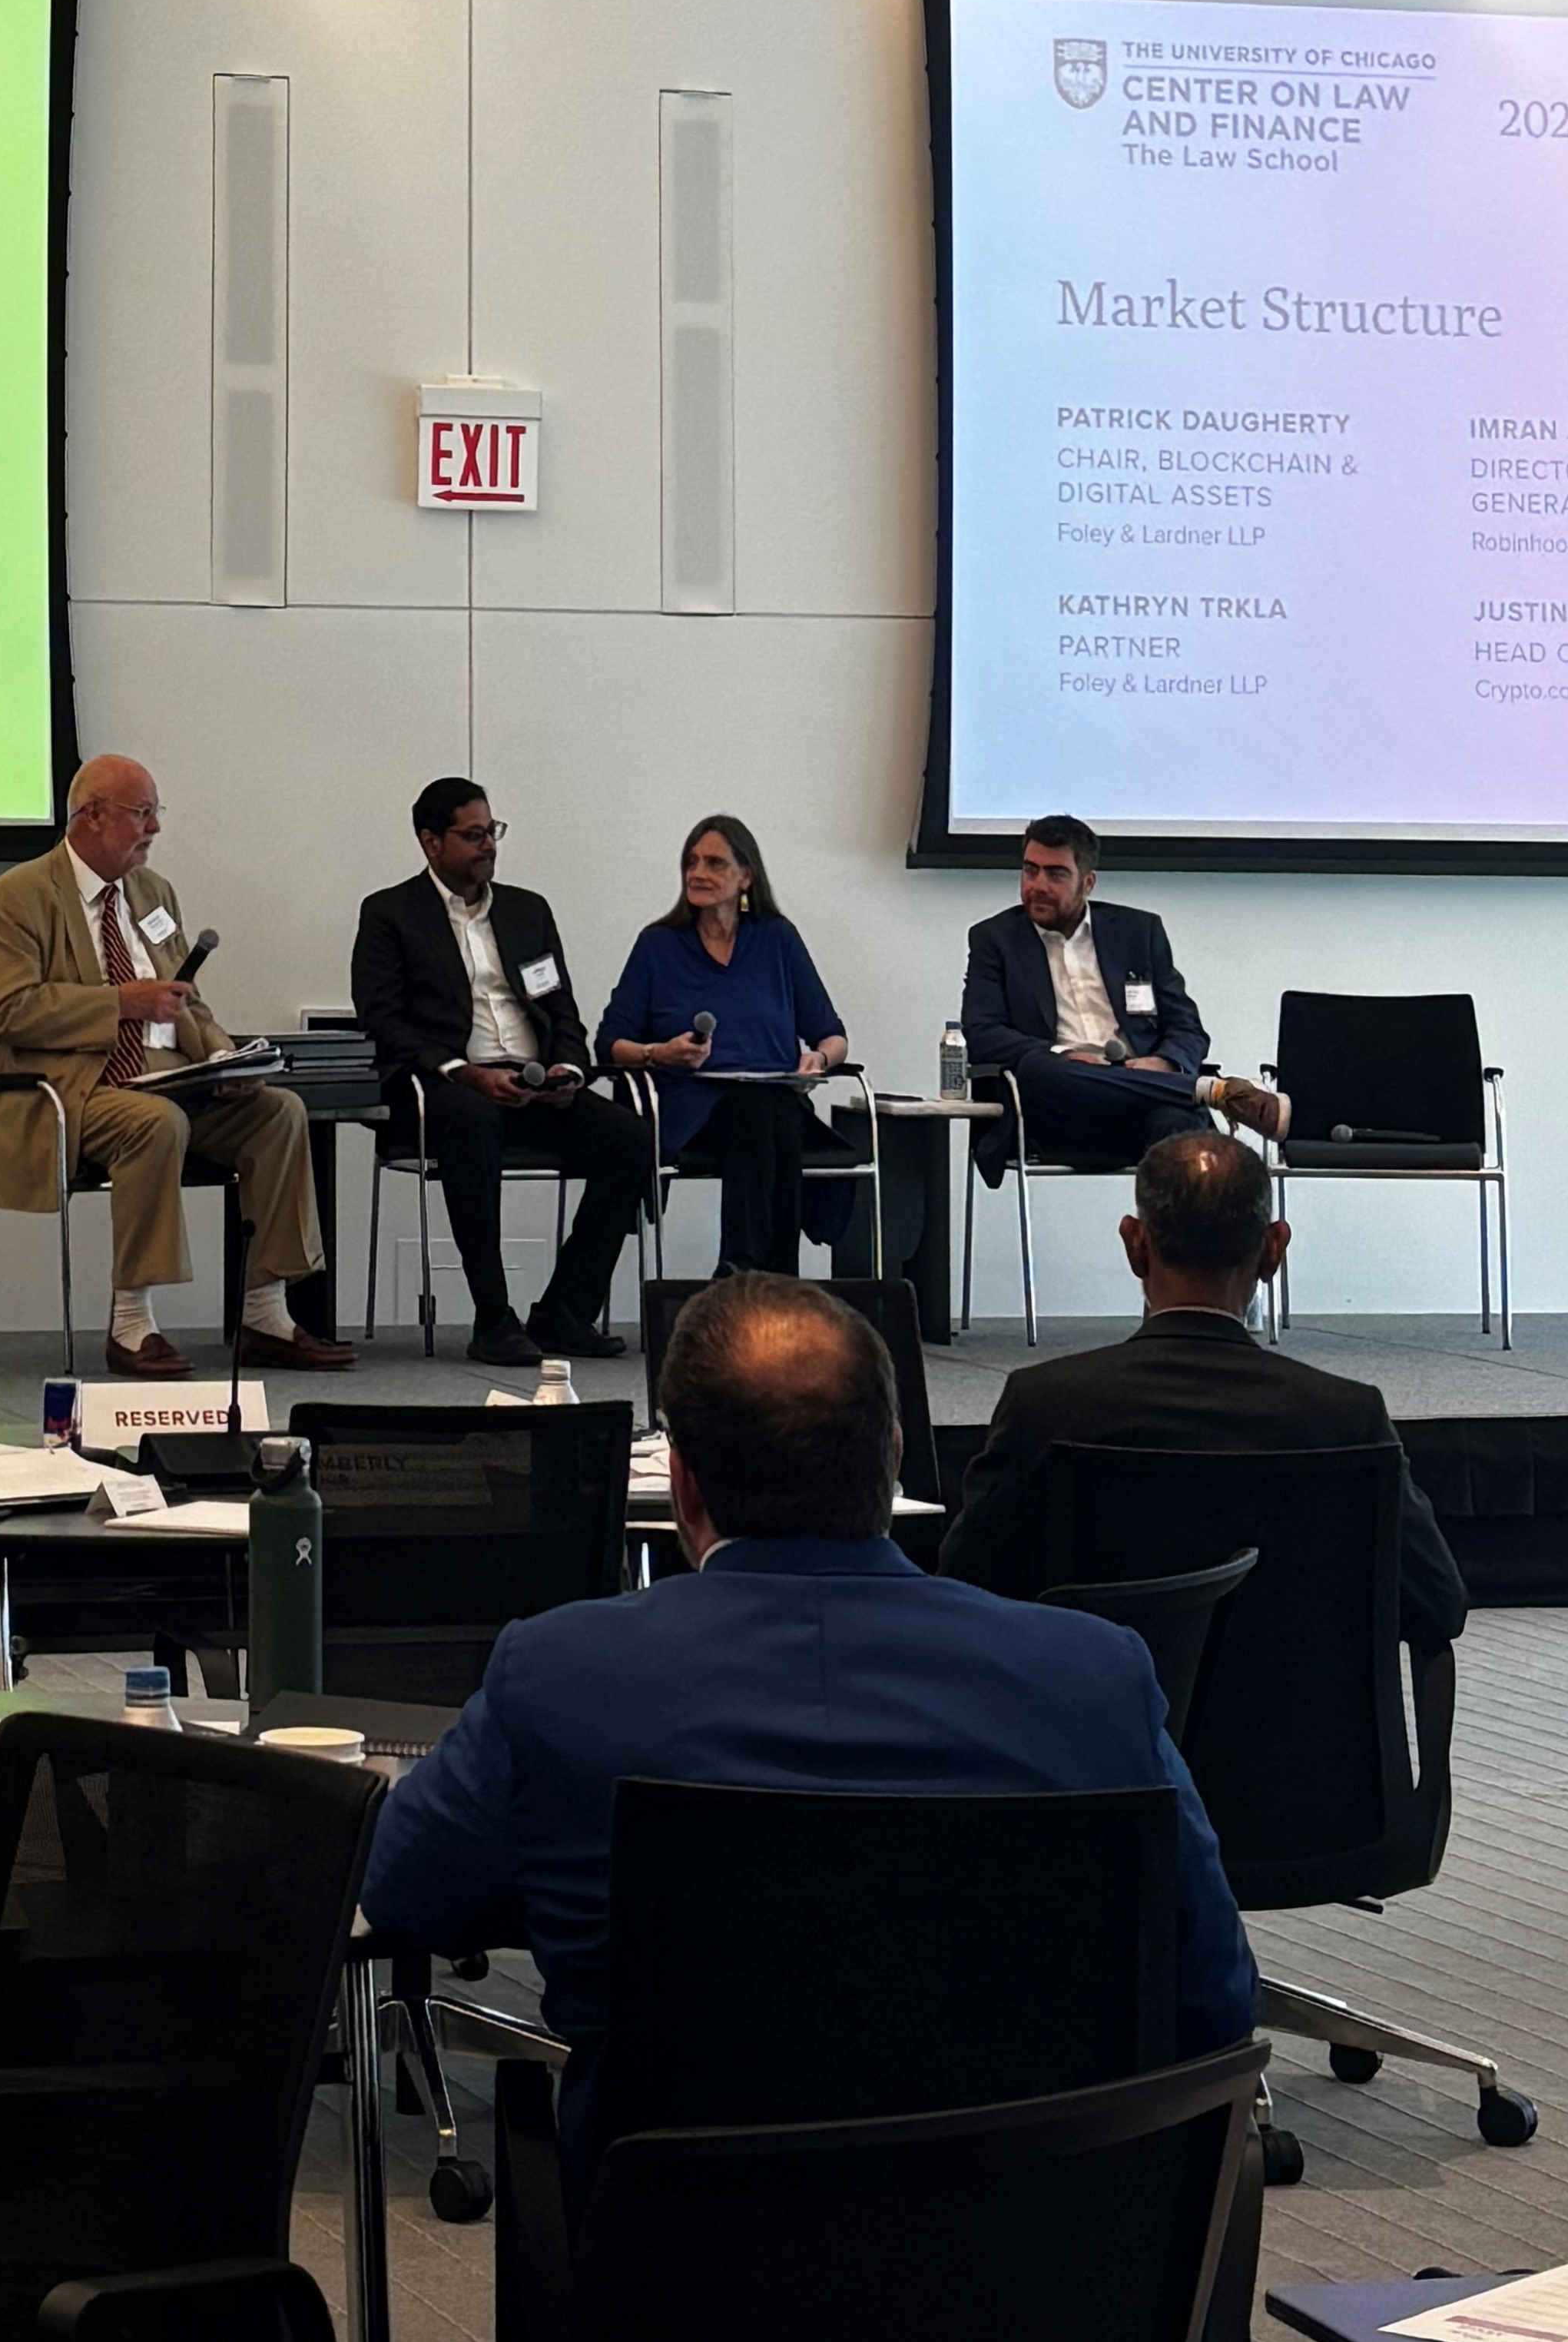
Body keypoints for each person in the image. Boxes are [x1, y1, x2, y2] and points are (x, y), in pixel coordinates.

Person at [365, 1278, 1255, 2199]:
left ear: (683, 1484)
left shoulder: (558, 1678)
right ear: (896, 1454)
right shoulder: (1094, 1678)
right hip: (1036, 2273)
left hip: (681, 2281)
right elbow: (1215, 2002)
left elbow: (403, 1890)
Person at [940, 1126, 1468, 1650]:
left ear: (1135, 1244)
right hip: (1295, 1733)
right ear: (1273, 1250)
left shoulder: (1045, 1407)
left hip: (1100, 1730)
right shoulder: (1349, 1418)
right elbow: (1439, 1604)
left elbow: (963, 1597)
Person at [0, 753, 351, 1378]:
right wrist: (119, 1003)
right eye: (142, 814)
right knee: (154, 1122)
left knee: (279, 1112)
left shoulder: (153, 892)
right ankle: (133, 1323)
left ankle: (265, 1313)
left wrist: (223, 1058)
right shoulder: (21, 895)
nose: (155, 829)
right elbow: (6, 1013)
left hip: (173, 1078)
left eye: (155, 813)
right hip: (72, 1089)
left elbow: (183, 996)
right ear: (91, 818)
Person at [350, 779, 646, 1366]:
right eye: (473, 834)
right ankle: (493, 1318)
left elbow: (562, 1010)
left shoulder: (527, 911)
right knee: (473, 1119)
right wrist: (464, 1071)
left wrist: (568, 1068)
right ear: (431, 842)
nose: (488, 845)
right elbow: (382, 1021)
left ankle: (565, 1311)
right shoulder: (390, 914)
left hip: (535, 1085)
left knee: (630, 1138)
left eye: (493, 831)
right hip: (444, 1088)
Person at [962, 813, 1289, 1182]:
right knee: (1037, 1067)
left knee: (1183, 1130)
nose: (1038, 885)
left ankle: (1187, 1239)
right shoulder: (995, 939)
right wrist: (1067, 1056)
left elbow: (1187, 1027)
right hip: (1059, 1112)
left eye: (1056, 874)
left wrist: (1165, 1063)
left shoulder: (1138, 932)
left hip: (1143, 1114)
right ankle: (1209, 1092)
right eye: (1030, 870)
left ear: (1088, 883)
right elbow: (982, 1034)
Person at [596, 813, 850, 1274]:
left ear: (746, 877)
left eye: (714, 863)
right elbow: (610, 1043)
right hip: (692, 1110)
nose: (698, 873)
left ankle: (746, 1271)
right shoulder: (658, 945)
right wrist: (660, 1054)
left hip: (775, 1104)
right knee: (765, 1116)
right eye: (691, 862)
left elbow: (832, 1035)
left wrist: (818, 1059)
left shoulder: (777, 938)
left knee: (770, 1112)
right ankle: (768, 1279)